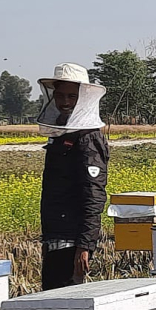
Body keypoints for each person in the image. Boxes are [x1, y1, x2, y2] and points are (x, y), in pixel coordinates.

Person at [36, 63, 110, 291]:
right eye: (60, 95)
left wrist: (84, 246)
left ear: (84, 98)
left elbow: (94, 195)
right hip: (55, 233)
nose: (65, 102)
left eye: (71, 96)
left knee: (64, 302)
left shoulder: (88, 138)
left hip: (71, 239)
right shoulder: (62, 132)